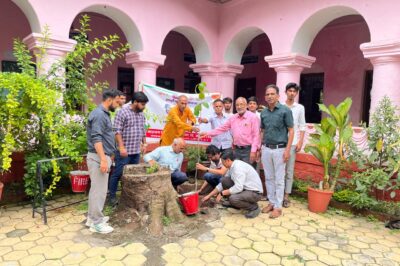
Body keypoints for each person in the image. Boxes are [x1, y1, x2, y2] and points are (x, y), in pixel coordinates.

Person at [86, 89, 120, 234]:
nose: (118, 105)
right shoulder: (99, 114)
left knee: (96, 190)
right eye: (117, 101)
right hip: (98, 157)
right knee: (99, 192)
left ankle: (91, 218)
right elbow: (96, 138)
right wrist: (103, 160)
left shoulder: (103, 114)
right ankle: (97, 223)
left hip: (101, 157)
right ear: (110, 99)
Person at [108, 91, 149, 206]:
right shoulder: (122, 113)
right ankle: (112, 197)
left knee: (132, 175)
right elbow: (117, 131)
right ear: (135, 102)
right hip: (124, 151)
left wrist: (144, 144)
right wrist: (121, 147)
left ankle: (129, 196)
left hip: (135, 151)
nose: (144, 107)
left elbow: (142, 130)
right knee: (118, 173)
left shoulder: (141, 114)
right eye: (142, 104)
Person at [260, 84, 294, 218]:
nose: (269, 96)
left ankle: (278, 207)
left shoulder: (285, 110)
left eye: (272, 94)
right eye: (267, 94)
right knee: (269, 178)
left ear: (278, 96)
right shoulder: (263, 112)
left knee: (279, 179)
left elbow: (291, 131)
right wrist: (260, 147)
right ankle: (271, 202)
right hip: (266, 149)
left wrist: (287, 150)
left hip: (280, 149)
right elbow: (262, 131)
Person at [202, 151, 263, 219]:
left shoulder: (238, 168)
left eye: (222, 161)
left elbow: (238, 187)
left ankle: (254, 208)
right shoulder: (231, 166)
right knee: (224, 180)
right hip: (245, 188)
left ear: (228, 160)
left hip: (255, 193)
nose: (222, 164)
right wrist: (209, 195)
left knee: (233, 198)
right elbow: (222, 184)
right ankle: (235, 204)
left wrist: (222, 193)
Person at [200, 97, 260, 165]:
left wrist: (253, 151)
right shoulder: (233, 118)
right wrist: (207, 133)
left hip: (248, 150)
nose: (239, 107)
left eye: (241, 104)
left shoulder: (253, 117)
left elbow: (256, 135)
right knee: (237, 171)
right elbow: (222, 128)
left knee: (248, 172)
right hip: (236, 150)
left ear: (246, 106)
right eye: (237, 105)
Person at [283, 82, 306, 208]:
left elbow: (302, 125)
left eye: (294, 91)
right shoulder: (280, 106)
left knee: (289, 170)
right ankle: (278, 194)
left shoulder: (300, 108)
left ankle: (286, 195)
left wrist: (300, 141)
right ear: (285, 92)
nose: (292, 93)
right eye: (290, 91)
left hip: (292, 143)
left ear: (296, 93)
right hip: (280, 142)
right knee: (279, 170)